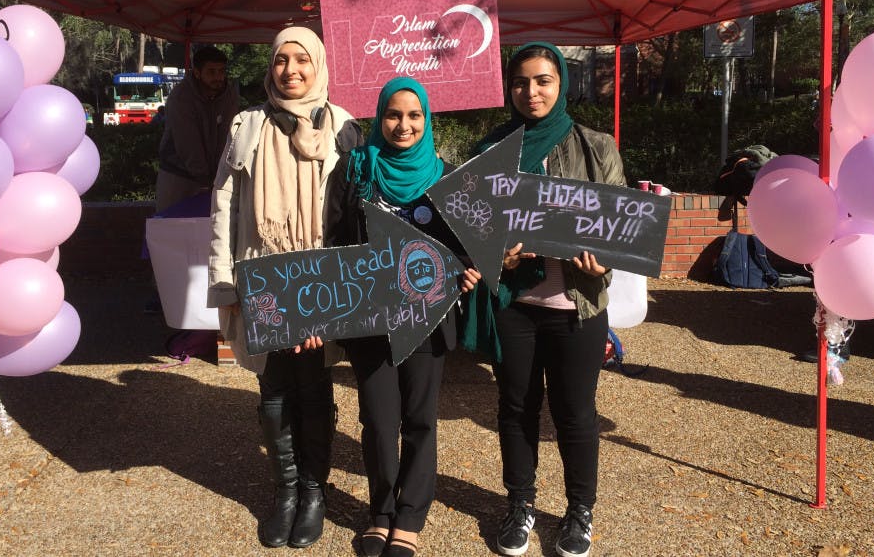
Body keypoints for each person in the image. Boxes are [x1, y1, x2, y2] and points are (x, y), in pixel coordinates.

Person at [460, 43, 626, 557]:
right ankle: (521, 505)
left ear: (562, 84)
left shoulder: (596, 147)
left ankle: (580, 512)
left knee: (575, 412)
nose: (530, 92)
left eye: (543, 81)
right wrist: (495, 258)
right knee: (515, 408)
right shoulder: (491, 149)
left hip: (578, 303)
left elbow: (619, 226)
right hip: (515, 303)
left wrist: (605, 260)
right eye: (520, 83)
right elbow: (474, 229)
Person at [208, 27, 361, 549]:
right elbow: (224, 206)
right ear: (269, 67)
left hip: (320, 282)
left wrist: (349, 292)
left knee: (315, 388)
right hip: (264, 276)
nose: (291, 70)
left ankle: (315, 493)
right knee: (273, 389)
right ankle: (287, 492)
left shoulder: (343, 126)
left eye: (302, 59)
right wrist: (225, 281)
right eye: (280, 60)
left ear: (319, 64)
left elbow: (356, 208)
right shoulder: (247, 125)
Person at [327, 77, 480, 557]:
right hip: (369, 318)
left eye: (415, 116)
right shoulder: (354, 171)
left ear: (427, 120)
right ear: (379, 117)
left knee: (419, 418)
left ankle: (409, 518)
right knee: (376, 418)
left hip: (427, 321)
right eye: (394, 115)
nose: (404, 125)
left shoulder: (445, 176)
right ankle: (381, 513)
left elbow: (463, 248)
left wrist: (466, 274)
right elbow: (333, 240)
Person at [156, 45, 239, 212]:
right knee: (171, 227)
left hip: (217, 175)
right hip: (178, 173)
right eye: (211, 72)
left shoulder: (229, 94)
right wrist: (205, 181)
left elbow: (229, 136)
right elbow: (188, 144)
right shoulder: (181, 98)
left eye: (221, 71)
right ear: (197, 72)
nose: (218, 77)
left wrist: (222, 175)